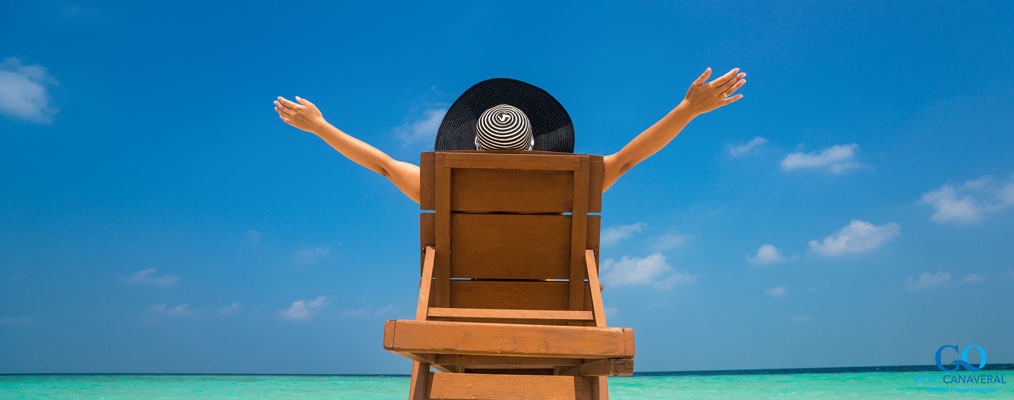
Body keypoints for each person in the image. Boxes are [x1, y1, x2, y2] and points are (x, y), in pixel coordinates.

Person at [273, 68, 746, 203]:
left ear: (471, 145)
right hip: (554, 309)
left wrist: (320, 127)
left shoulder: (441, 185)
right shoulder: (569, 182)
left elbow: (379, 162)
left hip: (464, 305)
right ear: (537, 143)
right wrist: (688, 109)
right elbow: (627, 160)